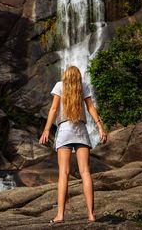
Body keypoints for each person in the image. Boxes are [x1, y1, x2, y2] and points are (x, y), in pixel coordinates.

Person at [39, 66, 107, 224]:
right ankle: (91, 215)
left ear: (65, 76)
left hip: (64, 131)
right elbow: (90, 108)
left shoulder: (59, 85)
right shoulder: (83, 86)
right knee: (85, 172)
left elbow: (54, 108)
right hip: (81, 131)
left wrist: (46, 130)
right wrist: (100, 127)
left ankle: (60, 215)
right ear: (78, 77)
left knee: (64, 173)